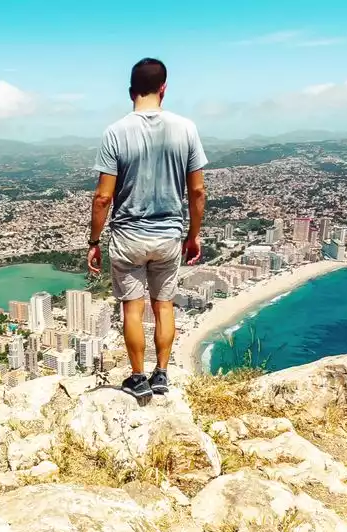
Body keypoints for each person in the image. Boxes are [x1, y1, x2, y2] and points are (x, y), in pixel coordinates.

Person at [87, 57, 207, 400]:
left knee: (133, 310)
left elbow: (102, 198)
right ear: (164, 88)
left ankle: (138, 378)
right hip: (168, 234)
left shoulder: (115, 133)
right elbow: (197, 190)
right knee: (164, 305)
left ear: (130, 92)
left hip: (127, 236)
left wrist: (94, 241)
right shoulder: (186, 129)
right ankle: (162, 375)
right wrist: (193, 234)